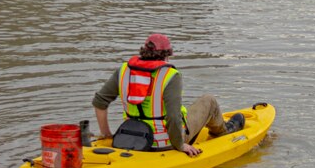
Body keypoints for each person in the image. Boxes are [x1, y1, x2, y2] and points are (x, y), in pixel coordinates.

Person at [92, 33, 243, 156]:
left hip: (131, 137)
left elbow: (100, 102)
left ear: (144, 51)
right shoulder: (170, 75)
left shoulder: (124, 70)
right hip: (163, 143)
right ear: (167, 54)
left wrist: (106, 134)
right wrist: (180, 145)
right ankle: (223, 133)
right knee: (209, 100)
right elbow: (173, 116)